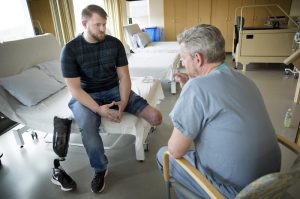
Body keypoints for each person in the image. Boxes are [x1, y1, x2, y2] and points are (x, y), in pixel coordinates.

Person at [156, 24, 281, 199]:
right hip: (273, 182)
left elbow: (176, 150)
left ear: (198, 59)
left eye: (183, 58)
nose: (183, 63)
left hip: (238, 192)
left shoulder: (196, 88)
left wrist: (190, 89)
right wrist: (190, 88)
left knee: (164, 155)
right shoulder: (245, 80)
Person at [53, 4, 162, 193]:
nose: (103, 29)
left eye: (104, 24)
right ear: (85, 23)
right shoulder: (70, 50)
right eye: (98, 25)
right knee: (88, 126)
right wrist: (98, 109)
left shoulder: (114, 43)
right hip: (86, 96)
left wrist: (124, 101)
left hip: (113, 89)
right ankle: (100, 169)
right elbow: (75, 90)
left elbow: (124, 77)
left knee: (156, 118)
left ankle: (144, 134)